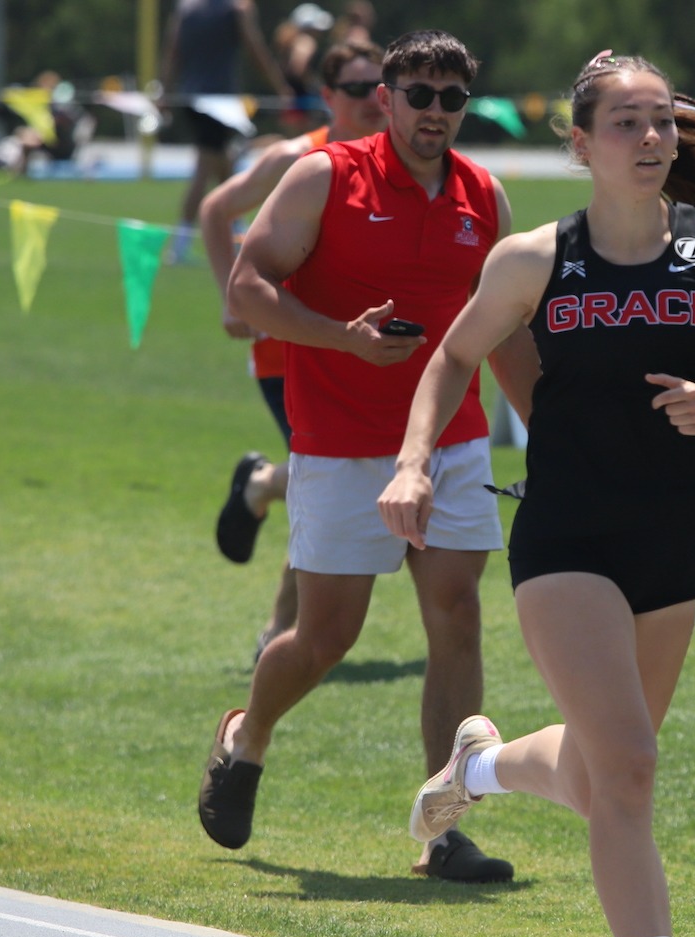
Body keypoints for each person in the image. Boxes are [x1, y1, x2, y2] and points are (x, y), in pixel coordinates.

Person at [378, 52, 695, 937]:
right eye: (626, 124)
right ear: (581, 144)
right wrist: (411, 462)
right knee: (632, 770)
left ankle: (473, 765)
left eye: (662, 122)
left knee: (601, 766)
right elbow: (452, 354)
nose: (651, 140)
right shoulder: (534, 260)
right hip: (565, 537)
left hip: (673, 534)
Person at [202, 30, 537, 884]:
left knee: (456, 616)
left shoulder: (483, 196)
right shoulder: (325, 177)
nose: (434, 112)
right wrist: (339, 342)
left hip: (452, 441)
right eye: (417, 95)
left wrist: (555, 442)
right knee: (324, 639)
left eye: (451, 98)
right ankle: (247, 738)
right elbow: (247, 288)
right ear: (383, 98)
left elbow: (501, 332)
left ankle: (447, 829)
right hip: (341, 445)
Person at [204, 40, 387, 658]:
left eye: (380, 87)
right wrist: (232, 299)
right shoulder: (294, 157)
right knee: (325, 478)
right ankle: (281, 632)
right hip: (286, 351)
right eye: (358, 89)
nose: (373, 100)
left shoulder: (393, 161)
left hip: (356, 347)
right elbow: (214, 209)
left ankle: (259, 486)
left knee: (334, 477)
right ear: (328, 97)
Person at [161, 0, 289, 263]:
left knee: (223, 168)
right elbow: (256, 51)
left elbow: (173, 52)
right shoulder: (236, 9)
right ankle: (182, 245)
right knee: (206, 168)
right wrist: (280, 87)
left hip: (189, 98)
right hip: (219, 102)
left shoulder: (186, 8)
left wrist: (164, 91)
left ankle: (235, 236)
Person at [274, 3, 334, 133]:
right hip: (304, 104)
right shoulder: (306, 41)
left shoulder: (291, 42)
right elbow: (297, 67)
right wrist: (313, 86)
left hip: (292, 101)